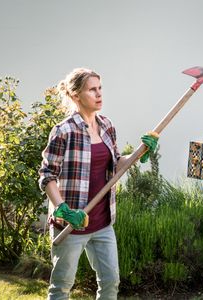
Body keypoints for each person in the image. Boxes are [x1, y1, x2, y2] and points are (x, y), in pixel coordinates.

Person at [38, 67, 158, 300]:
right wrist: (63, 209)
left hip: (103, 222)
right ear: (76, 96)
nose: (99, 94)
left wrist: (139, 153)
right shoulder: (64, 131)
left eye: (100, 88)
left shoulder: (106, 126)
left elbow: (116, 165)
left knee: (111, 282)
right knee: (62, 286)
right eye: (92, 89)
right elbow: (47, 175)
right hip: (72, 223)